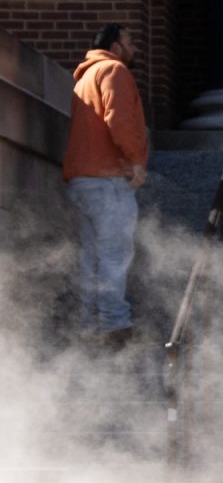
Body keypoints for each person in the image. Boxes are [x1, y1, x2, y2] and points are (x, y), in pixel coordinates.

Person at [62, 23, 148, 348]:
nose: (134, 48)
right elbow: (120, 120)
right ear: (114, 46)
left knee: (91, 258)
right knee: (114, 255)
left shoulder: (84, 78)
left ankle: (89, 327)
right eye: (129, 41)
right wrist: (136, 159)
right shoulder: (114, 70)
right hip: (106, 180)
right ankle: (115, 327)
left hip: (82, 181)